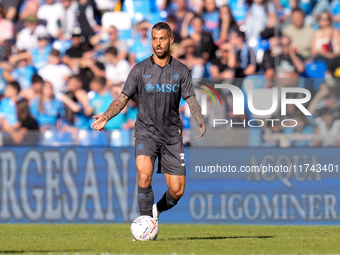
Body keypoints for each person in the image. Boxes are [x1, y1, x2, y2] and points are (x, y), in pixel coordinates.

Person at [91, 22, 206, 226]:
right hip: (146, 131)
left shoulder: (181, 70)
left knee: (177, 191)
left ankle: (157, 209)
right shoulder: (139, 69)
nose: (158, 43)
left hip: (171, 135)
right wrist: (106, 117)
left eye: (162, 38)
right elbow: (122, 98)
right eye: (154, 38)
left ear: (170, 40)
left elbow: (191, 99)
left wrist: (199, 119)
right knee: (144, 176)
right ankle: (146, 222)